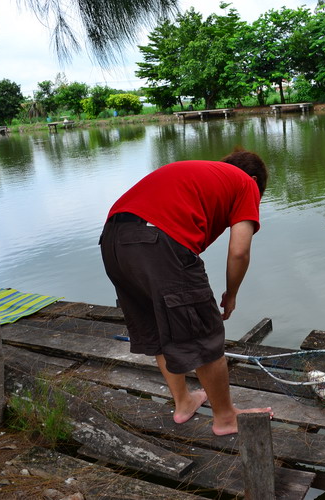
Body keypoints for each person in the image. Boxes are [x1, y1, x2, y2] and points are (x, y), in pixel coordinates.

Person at [99, 147, 272, 435]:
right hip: (159, 242)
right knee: (205, 332)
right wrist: (232, 294)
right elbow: (239, 251)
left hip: (112, 241)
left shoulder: (199, 171)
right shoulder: (245, 183)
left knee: (156, 326)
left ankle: (184, 403)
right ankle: (226, 418)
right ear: (254, 179)